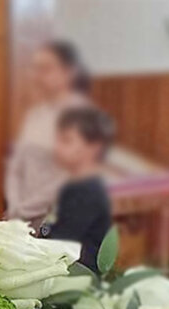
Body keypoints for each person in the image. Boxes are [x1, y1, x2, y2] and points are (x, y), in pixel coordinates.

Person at [5, 41, 90, 227]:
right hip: (20, 216)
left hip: (54, 218)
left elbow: (70, 176)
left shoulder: (80, 114)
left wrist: (25, 209)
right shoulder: (35, 114)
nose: (37, 76)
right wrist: (14, 206)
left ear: (69, 72)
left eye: (46, 69)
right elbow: (16, 167)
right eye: (35, 69)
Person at [39, 107, 115, 271]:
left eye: (66, 140)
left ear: (93, 147)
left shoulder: (88, 193)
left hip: (77, 275)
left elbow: (61, 245)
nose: (57, 147)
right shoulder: (73, 185)